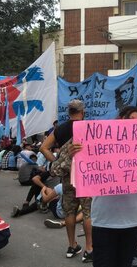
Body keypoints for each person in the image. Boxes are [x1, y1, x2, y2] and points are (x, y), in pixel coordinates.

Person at [68, 106, 137, 267]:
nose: (134, 125)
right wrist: (77, 157)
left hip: (134, 222)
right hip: (104, 221)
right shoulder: (100, 144)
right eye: (130, 120)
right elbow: (80, 181)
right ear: (120, 120)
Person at [40, 99, 93, 262]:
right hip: (86, 175)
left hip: (67, 176)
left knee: (69, 211)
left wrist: (56, 161)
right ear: (82, 112)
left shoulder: (59, 129)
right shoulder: (88, 128)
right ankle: (89, 248)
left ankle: (72, 245)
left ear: (68, 112)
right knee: (87, 212)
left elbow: (43, 147)